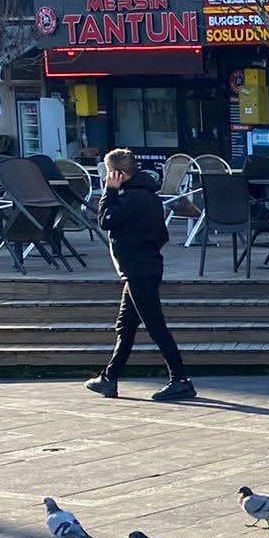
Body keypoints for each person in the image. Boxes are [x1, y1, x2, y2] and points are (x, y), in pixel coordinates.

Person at [86, 148, 195, 402]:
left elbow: (105, 220)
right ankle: (109, 378)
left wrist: (109, 192)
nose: (105, 179)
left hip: (139, 271)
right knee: (126, 325)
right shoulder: (148, 195)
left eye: (108, 174)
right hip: (141, 269)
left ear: (117, 174)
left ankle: (180, 379)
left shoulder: (130, 198)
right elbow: (162, 235)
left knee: (156, 326)